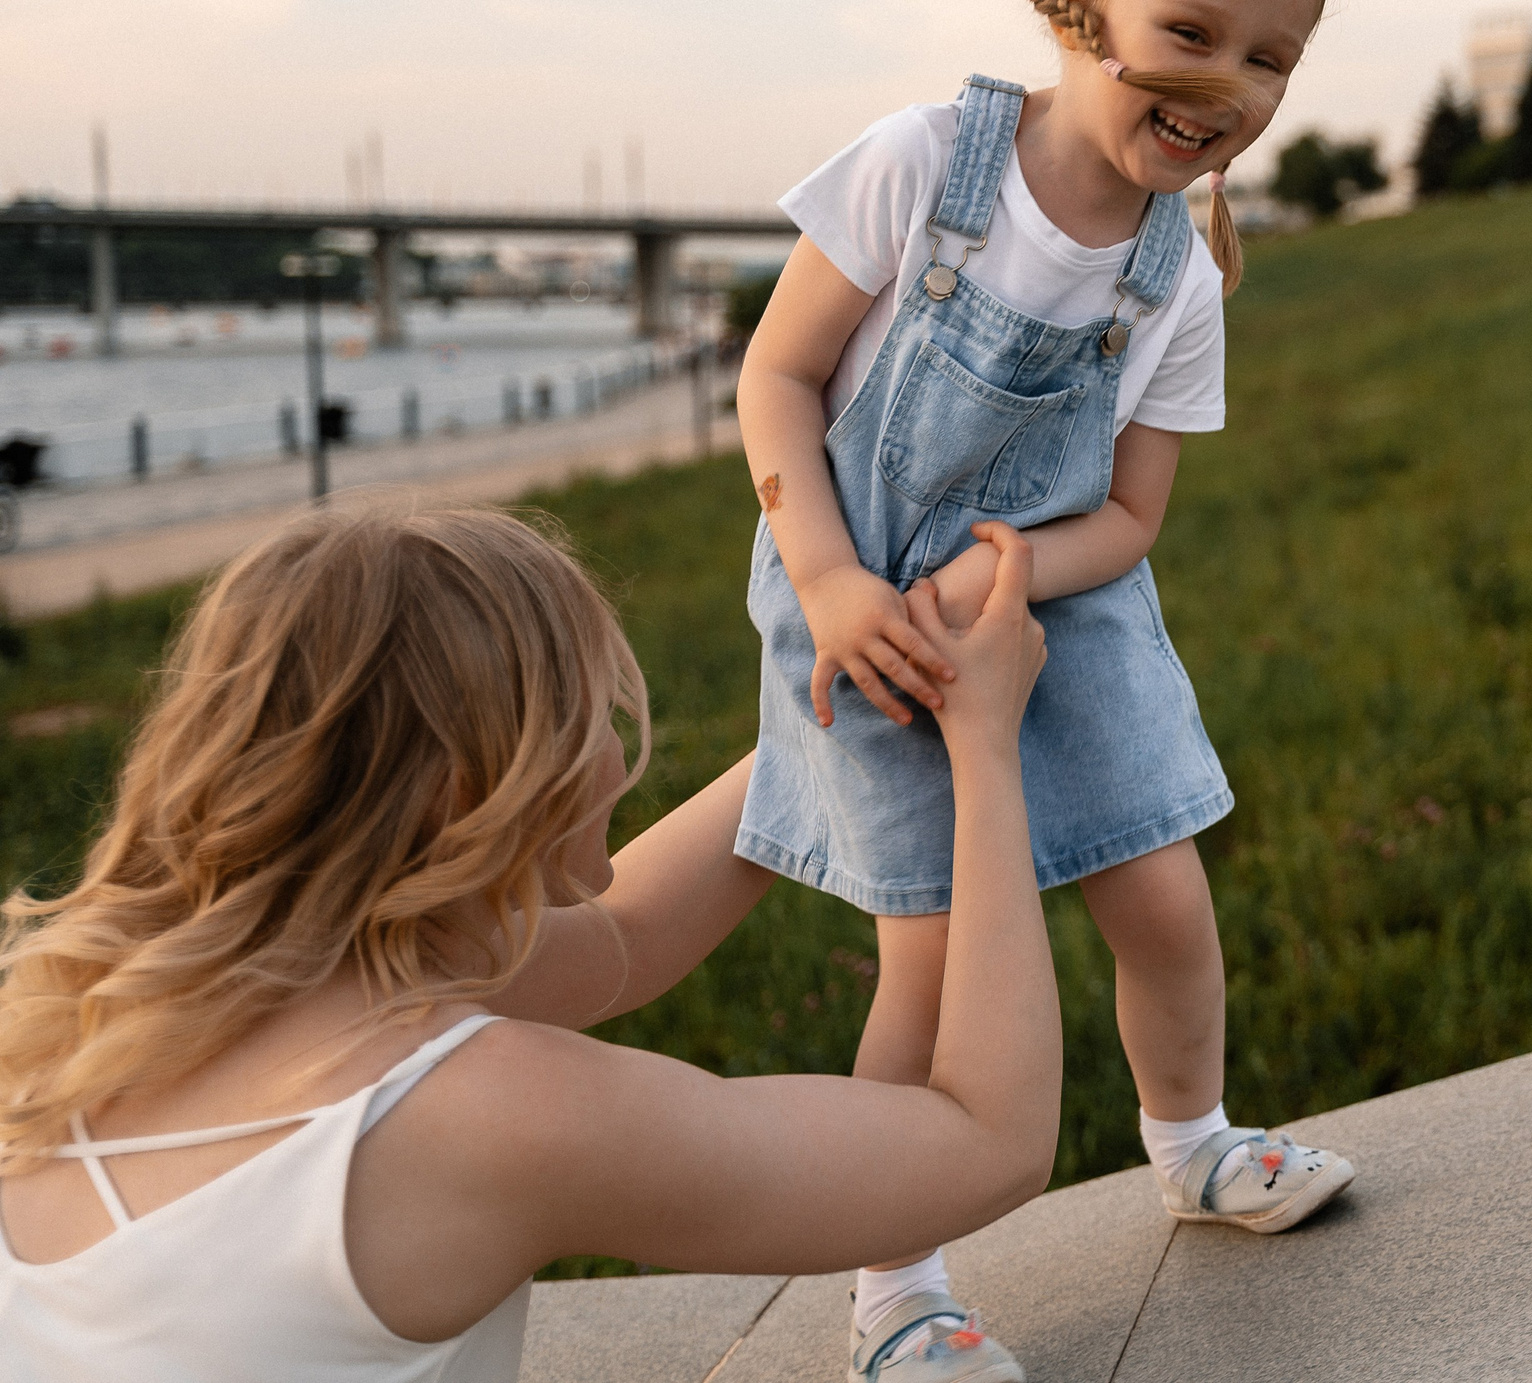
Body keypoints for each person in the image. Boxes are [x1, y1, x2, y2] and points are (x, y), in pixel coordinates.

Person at [734, 0, 1356, 1378]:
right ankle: (895, 1286)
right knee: (930, 957)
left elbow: (1133, 514)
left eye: (1268, 58)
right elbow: (778, 375)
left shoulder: (1180, 278)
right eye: (1191, 36)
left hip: (1067, 607)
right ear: (1079, 6)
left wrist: (1009, 577)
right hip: (867, 607)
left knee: (1164, 904)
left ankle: (1194, 1143)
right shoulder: (921, 165)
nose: (1224, 85)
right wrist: (828, 575)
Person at [0, 507, 1058, 1383]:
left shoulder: (67, 1004)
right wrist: (986, 746)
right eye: (589, 713)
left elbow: (626, 936)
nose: (613, 753)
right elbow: (986, 1141)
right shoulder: (477, 1110)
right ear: (479, 785)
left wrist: (852, 706)